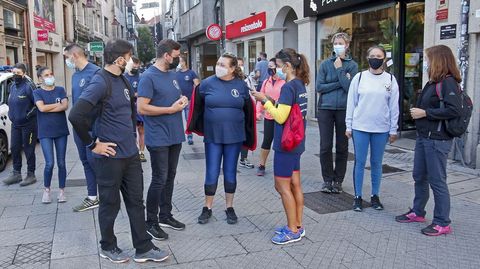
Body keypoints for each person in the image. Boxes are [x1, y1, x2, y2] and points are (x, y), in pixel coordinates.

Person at [68, 39, 169, 264]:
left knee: (135, 201)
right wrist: (93, 144)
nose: (132, 60)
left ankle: (143, 247)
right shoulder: (100, 82)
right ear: (120, 59)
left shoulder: (122, 79)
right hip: (110, 157)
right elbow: (76, 115)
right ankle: (108, 246)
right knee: (110, 204)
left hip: (130, 155)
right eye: (130, 56)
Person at [395, 45, 462, 236]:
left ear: (438, 60)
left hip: (438, 140)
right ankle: (417, 211)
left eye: (428, 59)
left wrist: (426, 112)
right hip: (424, 137)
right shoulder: (432, 82)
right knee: (419, 176)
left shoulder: (448, 83)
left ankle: (442, 222)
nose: (425, 63)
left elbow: (454, 110)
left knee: (437, 180)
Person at [187, 53, 256, 225]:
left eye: (223, 64)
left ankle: (229, 207)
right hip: (213, 137)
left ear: (233, 68)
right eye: (218, 63)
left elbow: (248, 111)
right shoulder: (206, 84)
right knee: (211, 173)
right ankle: (207, 207)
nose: (219, 66)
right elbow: (198, 106)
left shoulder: (241, 86)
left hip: (235, 137)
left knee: (230, 173)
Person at [252, 48, 309, 245]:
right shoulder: (300, 84)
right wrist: (269, 99)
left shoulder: (288, 87)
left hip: (286, 144)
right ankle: (298, 225)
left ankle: (292, 230)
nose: (275, 69)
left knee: (282, 186)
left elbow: (280, 116)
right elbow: (288, 109)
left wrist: (264, 102)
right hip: (297, 142)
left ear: (287, 66)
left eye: (277, 65)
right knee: (295, 185)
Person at [137, 39, 187, 241]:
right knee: (159, 178)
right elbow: (142, 107)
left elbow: (174, 97)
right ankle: (151, 222)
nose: (179, 59)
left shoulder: (172, 74)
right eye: (176, 56)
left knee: (170, 176)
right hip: (158, 136)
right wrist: (170, 109)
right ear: (167, 56)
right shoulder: (148, 77)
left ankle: (165, 215)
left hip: (175, 133)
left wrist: (183, 100)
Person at [345, 45, 399, 212]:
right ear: (368, 58)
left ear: (384, 59)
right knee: (359, 162)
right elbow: (351, 103)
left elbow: (393, 106)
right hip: (360, 127)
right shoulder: (359, 78)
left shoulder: (390, 79)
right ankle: (358, 197)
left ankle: (375, 196)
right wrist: (349, 125)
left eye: (379, 55)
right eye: (372, 55)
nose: (375, 58)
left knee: (376, 163)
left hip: (381, 129)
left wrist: (393, 129)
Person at [316, 32, 358, 194]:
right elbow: (320, 87)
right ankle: (327, 180)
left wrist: (340, 70)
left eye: (341, 43)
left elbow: (350, 88)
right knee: (325, 146)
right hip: (325, 108)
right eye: (336, 43)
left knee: (342, 146)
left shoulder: (352, 66)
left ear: (347, 45)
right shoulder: (325, 64)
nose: (338, 45)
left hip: (343, 109)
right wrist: (340, 81)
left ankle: (338, 180)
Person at [64, 44, 101, 212]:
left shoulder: (96, 72)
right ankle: (92, 197)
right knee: (86, 162)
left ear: (74, 55)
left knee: (95, 162)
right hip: (78, 128)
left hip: (92, 127)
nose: (66, 61)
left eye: (66, 57)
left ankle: (108, 194)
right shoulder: (75, 75)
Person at [34, 67, 69, 203]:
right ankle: (47, 190)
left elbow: (65, 106)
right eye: (46, 75)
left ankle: (61, 191)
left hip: (61, 131)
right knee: (49, 163)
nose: (49, 77)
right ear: (40, 78)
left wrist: (49, 107)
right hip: (45, 132)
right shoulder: (37, 92)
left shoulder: (60, 90)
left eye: (51, 74)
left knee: (61, 163)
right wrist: (56, 105)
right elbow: (41, 108)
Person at [3, 63, 37, 186]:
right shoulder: (12, 87)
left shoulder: (29, 87)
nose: (15, 75)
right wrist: (11, 115)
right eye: (14, 73)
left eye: (18, 73)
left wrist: (27, 115)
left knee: (28, 149)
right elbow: (10, 102)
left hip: (29, 124)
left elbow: (37, 104)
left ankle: (31, 174)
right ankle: (16, 173)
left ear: (24, 74)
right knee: (15, 148)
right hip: (15, 124)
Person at [256, 58, 285, 176]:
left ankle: (282, 166)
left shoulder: (285, 82)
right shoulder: (265, 82)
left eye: (272, 66)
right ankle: (261, 165)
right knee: (267, 141)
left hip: (281, 116)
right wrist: (258, 112)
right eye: (269, 66)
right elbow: (261, 98)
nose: (270, 69)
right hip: (269, 116)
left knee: (281, 142)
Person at [125, 56, 147, 162]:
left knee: (141, 131)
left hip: (139, 109)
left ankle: (141, 153)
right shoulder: (123, 77)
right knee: (130, 132)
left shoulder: (142, 77)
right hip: (127, 109)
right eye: (132, 63)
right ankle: (134, 152)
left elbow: (144, 93)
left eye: (136, 63)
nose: (134, 65)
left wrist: (132, 95)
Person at [175, 54, 200, 145]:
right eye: (179, 61)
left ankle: (189, 136)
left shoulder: (191, 73)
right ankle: (177, 135)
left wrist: (196, 96)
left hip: (189, 100)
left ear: (185, 62)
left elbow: (197, 85)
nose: (180, 63)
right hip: (178, 100)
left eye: (181, 61)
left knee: (188, 118)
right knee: (177, 118)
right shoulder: (175, 74)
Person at [237, 57, 254, 169]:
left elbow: (251, 92)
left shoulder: (246, 79)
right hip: (234, 113)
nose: (240, 67)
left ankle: (243, 158)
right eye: (238, 65)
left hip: (245, 110)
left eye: (242, 65)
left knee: (245, 134)